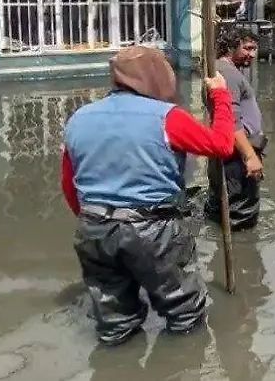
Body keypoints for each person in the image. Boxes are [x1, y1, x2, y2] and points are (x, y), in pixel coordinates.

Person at [59, 45, 237, 346]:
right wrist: (220, 96)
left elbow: (68, 184)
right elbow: (221, 145)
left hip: (93, 227)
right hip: (152, 228)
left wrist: (98, 222)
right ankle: (181, 364)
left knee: (114, 320)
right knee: (185, 312)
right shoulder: (167, 117)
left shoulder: (79, 118)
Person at [203, 27, 266, 232]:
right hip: (236, 155)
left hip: (230, 152)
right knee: (241, 214)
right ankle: (245, 257)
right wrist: (250, 156)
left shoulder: (223, 70)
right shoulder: (227, 74)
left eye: (255, 49)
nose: (253, 54)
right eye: (247, 48)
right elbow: (230, 121)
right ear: (231, 46)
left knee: (222, 207)